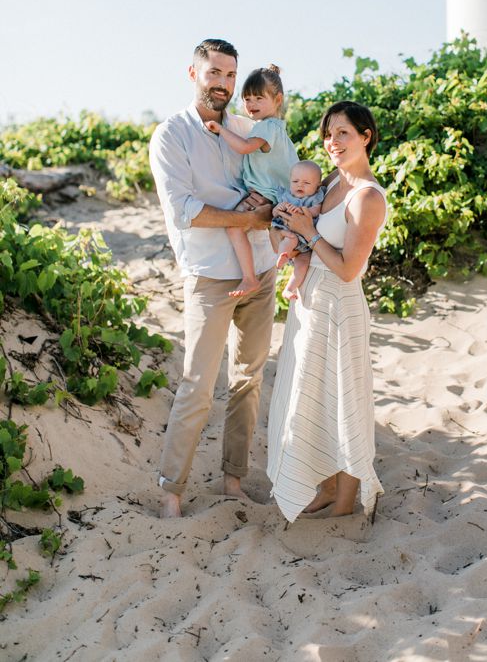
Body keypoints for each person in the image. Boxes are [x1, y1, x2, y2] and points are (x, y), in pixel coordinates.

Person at [149, 38, 276, 519]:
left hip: (260, 270)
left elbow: (277, 188)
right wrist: (244, 219)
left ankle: (233, 480)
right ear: (193, 73)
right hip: (209, 278)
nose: (223, 83)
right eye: (214, 73)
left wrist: (264, 212)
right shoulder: (171, 135)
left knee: (249, 379)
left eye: (230, 74)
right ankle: (171, 491)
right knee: (198, 383)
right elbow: (184, 211)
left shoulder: (247, 128)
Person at [266, 101, 388, 520]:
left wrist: (306, 232)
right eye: (328, 134)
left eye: (343, 134)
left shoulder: (366, 196)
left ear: (365, 136)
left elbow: (349, 269)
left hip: (340, 302)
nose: (332, 143)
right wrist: (284, 223)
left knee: (344, 398)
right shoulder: (332, 180)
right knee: (311, 397)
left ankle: (344, 502)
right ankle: (322, 486)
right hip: (311, 300)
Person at [204, 64, 299, 298]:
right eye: (247, 99)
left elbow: (245, 148)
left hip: (266, 193)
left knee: (235, 227)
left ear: (278, 100)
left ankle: (249, 278)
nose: (251, 104)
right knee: (278, 233)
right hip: (276, 193)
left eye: (258, 98)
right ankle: (292, 260)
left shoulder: (266, 127)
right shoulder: (275, 128)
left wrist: (220, 131)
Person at [271, 159, 327, 300]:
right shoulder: (286, 196)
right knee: (290, 239)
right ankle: (282, 256)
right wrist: (277, 209)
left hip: (307, 242)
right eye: (295, 181)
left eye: (306, 183)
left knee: (303, 263)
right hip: (290, 233)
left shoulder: (315, 197)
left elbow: (316, 211)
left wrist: (302, 210)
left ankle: (289, 288)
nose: (300, 185)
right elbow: (275, 213)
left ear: (318, 185)